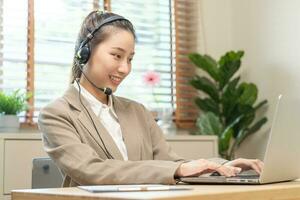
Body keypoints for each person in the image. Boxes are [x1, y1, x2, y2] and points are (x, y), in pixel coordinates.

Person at [38, 10, 263, 187]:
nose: (125, 68)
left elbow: (171, 163)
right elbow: (92, 171)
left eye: (130, 59)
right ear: (84, 52)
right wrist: (176, 170)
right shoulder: (57, 113)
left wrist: (223, 166)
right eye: (116, 55)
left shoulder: (137, 111)